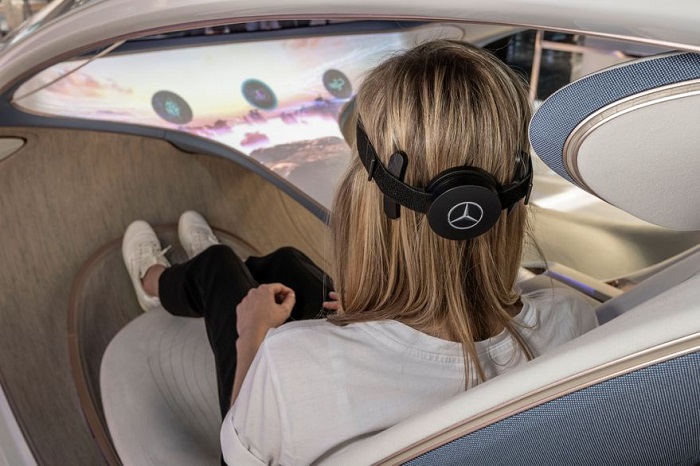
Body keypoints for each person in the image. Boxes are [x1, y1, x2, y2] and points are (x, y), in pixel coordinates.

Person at [121, 40, 598, 465]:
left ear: (373, 195)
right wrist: (377, 318)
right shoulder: (574, 321)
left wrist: (252, 336)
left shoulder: (288, 365)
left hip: (262, 411)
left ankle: (157, 283)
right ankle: (211, 274)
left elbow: (238, 452)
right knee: (286, 263)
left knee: (221, 273)